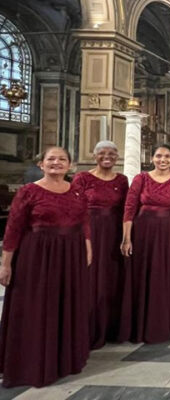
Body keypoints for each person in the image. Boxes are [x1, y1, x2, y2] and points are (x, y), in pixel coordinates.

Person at [0, 147, 92, 388]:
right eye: (51, 159)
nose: (56, 163)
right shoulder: (28, 192)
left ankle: (62, 360)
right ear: (41, 164)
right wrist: (5, 264)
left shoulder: (77, 192)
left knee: (64, 304)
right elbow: (13, 229)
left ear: (71, 165)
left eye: (62, 159)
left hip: (70, 255)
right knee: (37, 306)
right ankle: (32, 363)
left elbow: (84, 222)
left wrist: (88, 248)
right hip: (37, 256)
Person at [120, 145, 170, 344]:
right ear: (152, 157)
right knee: (143, 275)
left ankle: (163, 323)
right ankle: (140, 324)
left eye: (167, 156)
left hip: (168, 231)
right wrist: (126, 237)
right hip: (144, 232)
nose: (163, 160)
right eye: (159, 156)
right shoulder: (141, 179)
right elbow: (130, 207)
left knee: (165, 275)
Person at [72, 141, 129, 350]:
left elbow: (127, 210)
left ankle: (109, 327)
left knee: (110, 279)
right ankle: (85, 329)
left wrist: (126, 237)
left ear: (117, 157)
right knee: (89, 278)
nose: (108, 157)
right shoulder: (82, 178)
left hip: (113, 232)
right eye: (103, 153)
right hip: (88, 232)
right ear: (95, 156)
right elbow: (74, 207)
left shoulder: (122, 180)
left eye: (112, 153)